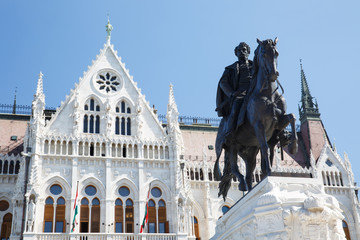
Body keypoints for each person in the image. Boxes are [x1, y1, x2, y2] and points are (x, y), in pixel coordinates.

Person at [216, 42, 252, 137]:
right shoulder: (230, 69)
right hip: (240, 93)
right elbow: (223, 83)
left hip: (254, 91)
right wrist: (232, 93)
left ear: (248, 52)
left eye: (244, 50)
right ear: (236, 54)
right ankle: (230, 132)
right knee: (236, 106)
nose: (241, 52)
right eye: (239, 51)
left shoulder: (255, 66)